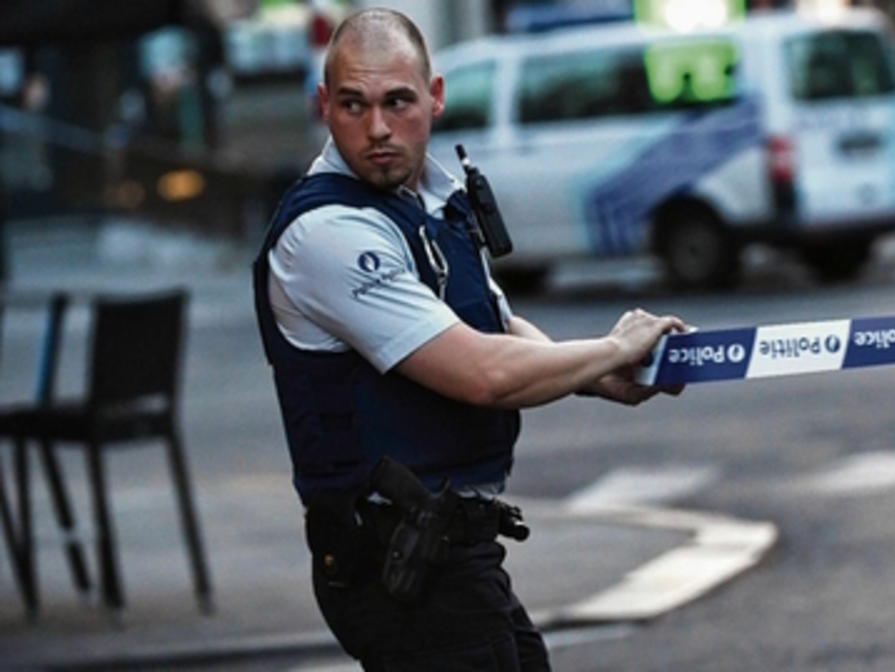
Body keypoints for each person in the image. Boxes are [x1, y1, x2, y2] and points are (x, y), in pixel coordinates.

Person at [252, 8, 686, 671]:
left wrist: (598, 375)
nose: (376, 128)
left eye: (398, 102)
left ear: (435, 97)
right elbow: (483, 372)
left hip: (451, 554)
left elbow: (498, 326)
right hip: (400, 562)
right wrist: (611, 349)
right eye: (352, 105)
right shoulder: (327, 232)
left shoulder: (428, 199)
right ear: (323, 106)